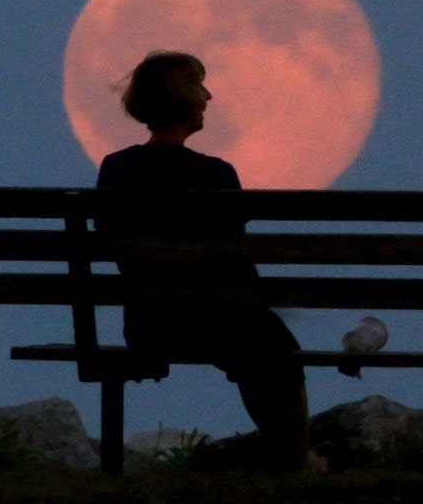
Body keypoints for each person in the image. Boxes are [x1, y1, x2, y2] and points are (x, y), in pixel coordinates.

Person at [95, 51, 310, 470]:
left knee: (258, 345)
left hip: (149, 324)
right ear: (182, 99)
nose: (209, 96)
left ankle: (287, 457)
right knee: (276, 349)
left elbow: (114, 245)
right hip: (216, 318)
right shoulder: (216, 175)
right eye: (200, 87)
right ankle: (296, 460)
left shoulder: (115, 169)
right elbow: (235, 257)